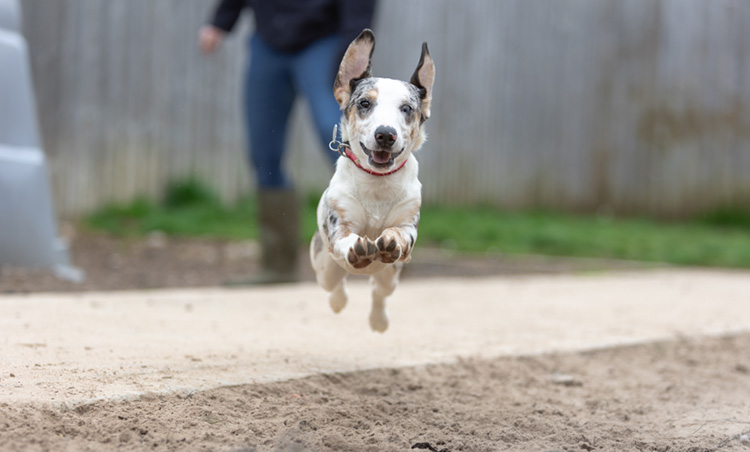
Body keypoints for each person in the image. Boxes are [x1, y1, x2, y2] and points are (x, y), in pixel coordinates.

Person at [199, 0, 377, 284]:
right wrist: (220, 22)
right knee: (263, 153)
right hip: (268, 44)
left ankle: (382, 247)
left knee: (337, 134)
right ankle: (278, 266)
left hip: (323, 41)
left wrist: (353, 53)